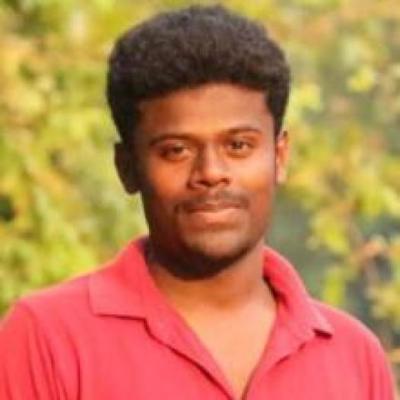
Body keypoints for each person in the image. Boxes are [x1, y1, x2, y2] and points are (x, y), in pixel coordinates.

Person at [0, 5, 395, 400]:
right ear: (128, 168)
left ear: (279, 156)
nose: (210, 172)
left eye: (238, 145)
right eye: (176, 150)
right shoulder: (46, 340)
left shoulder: (353, 356)